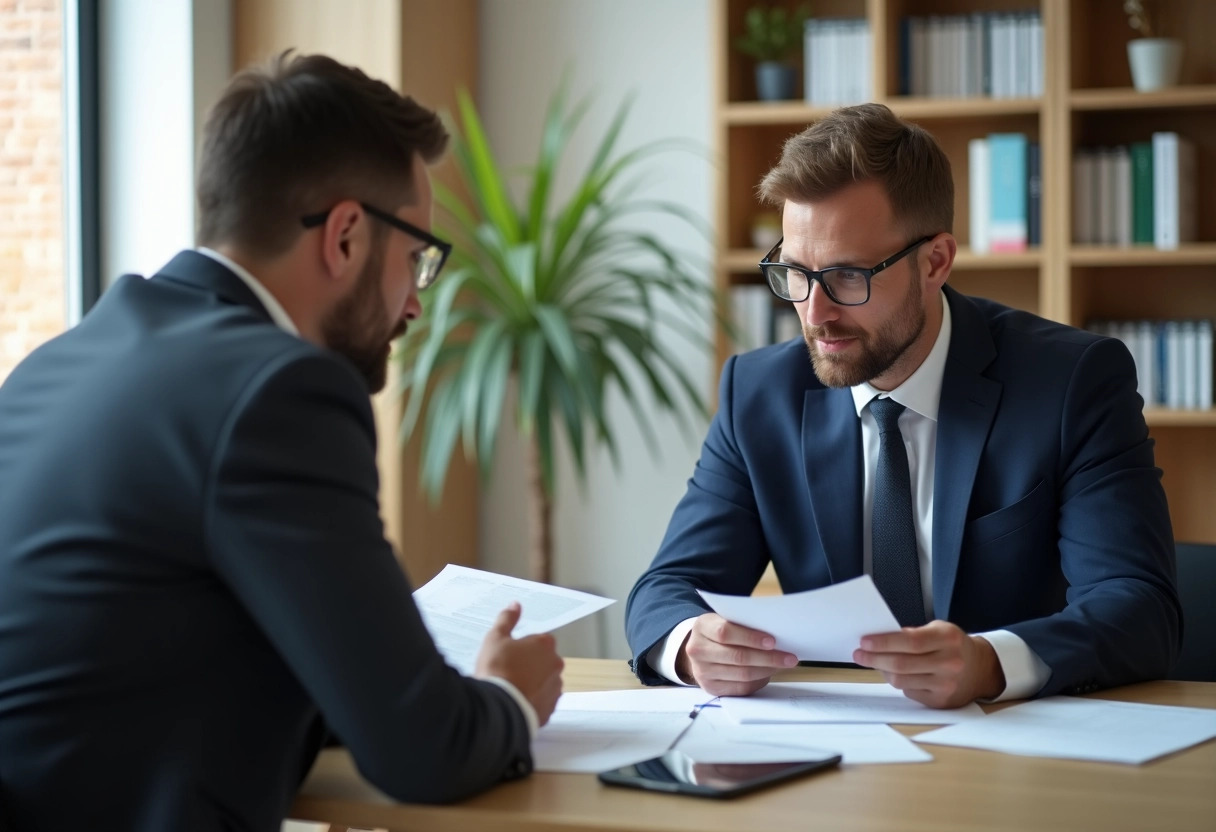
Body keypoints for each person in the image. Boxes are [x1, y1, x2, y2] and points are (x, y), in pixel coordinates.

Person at [0, 52, 564, 831]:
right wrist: (505, 697)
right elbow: (423, 751)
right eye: (417, 261)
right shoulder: (279, 393)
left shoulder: (57, 363)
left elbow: (169, 652)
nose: (414, 309)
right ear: (344, 237)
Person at [625, 103, 1180, 710]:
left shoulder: (1071, 382)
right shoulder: (758, 394)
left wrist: (991, 663)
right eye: (796, 274)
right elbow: (666, 588)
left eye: (847, 276)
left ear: (935, 261)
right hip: (831, 754)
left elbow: (1140, 606)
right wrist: (688, 644)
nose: (815, 313)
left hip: (1017, 747)